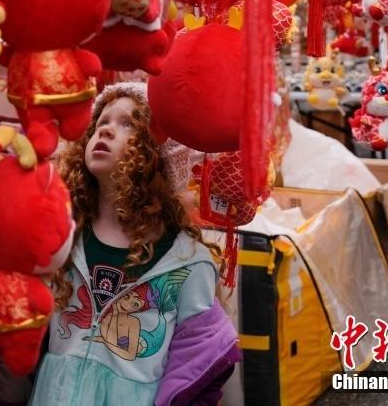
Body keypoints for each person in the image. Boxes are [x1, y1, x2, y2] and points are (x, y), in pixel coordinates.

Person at [29, 82, 241, 405]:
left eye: (128, 124)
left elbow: (199, 360)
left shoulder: (185, 260)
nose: (107, 131)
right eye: (102, 122)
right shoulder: (63, 237)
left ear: (159, 155)